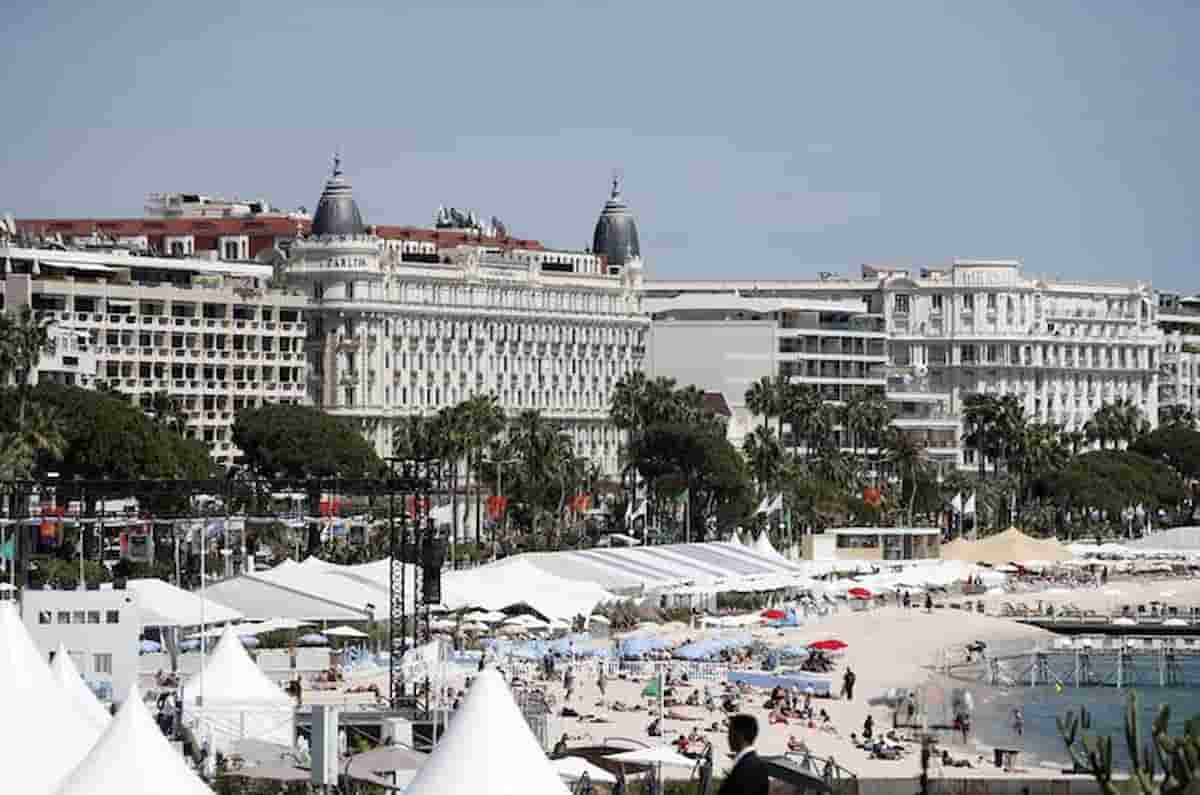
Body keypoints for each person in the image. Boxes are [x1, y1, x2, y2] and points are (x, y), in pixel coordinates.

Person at [717, 714, 769, 795]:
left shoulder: (748, 766)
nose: (728, 737)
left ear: (739, 735)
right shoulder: (755, 764)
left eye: (730, 733)